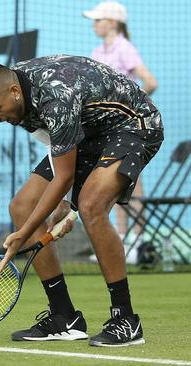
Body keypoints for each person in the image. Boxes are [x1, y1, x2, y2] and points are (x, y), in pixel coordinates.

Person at [0, 55, 163, 347]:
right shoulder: (19, 101)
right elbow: (57, 150)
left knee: (91, 206)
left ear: (13, 92)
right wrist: (63, 207)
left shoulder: (54, 96)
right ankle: (64, 317)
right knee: (22, 207)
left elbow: (64, 178)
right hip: (87, 132)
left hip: (133, 123)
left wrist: (25, 233)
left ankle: (126, 319)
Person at [84, 1, 158, 244]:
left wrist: (132, 108)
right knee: (111, 182)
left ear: (113, 23)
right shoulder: (97, 53)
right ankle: (122, 240)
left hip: (130, 129)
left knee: (133, 183)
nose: (94, 25)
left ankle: (139, 240)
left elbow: (150, 82)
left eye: (98, 20)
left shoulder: (124, 48)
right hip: (107, 130)